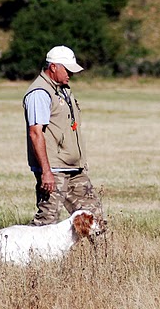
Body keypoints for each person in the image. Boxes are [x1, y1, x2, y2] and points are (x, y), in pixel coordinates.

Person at [22, 45, 104, 226]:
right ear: (53, 67)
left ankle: (104, 255)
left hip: (75, 168)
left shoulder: (63, 89)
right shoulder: (39, 93)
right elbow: (35, 133)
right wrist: (46, 172)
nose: (71, 74)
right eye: (67, 70)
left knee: (95, 220)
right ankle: (23, 251)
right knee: (47, 221)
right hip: (54, 170)